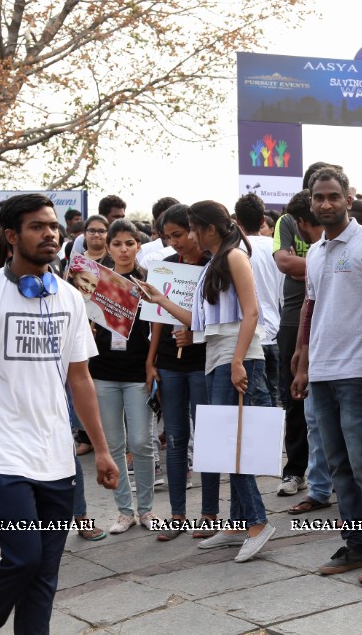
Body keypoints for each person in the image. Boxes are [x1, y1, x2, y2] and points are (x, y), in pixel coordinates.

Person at [0, 193, 118, 634]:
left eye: (53, 226)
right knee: (22, 558)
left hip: (57, 457)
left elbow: (80, 380)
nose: (50, 234)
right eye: (38, 226)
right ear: (12, 236)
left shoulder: (71, 299)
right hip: (2, 457)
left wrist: (101, 449)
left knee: (45, 574)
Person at [139, 200, 275, 563]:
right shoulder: (215, 262)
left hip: (237, 356)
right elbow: (199, 322)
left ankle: (258, 522)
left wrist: (236, 361)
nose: (186, 238)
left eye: (192, 229)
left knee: (230, 444)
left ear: (209, 229)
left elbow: (251, 312)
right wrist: (159, 299)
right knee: (224, 442)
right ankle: (235, 524)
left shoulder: (234, 257)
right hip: (218, 356)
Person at [289, 166, 362, 583]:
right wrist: (303, 363)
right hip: (321, 374)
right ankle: (356, 546)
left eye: (332, 196)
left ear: (347, 199)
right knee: (338, 467)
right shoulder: (315, 252)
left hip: (359, 374)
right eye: (318, 197)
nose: (325, 204)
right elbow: (310, 308)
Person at [86, 219, 158, 534]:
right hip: (102, 371)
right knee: (113, 444)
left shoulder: (147, 282)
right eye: (118, 243)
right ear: (109, 246)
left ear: (138, 246)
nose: (124, 249)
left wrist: (152, 364)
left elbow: (158, 328)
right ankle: (124, 511)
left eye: (129, 243)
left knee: (142, 442)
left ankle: (146, 509)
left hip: (137, 370)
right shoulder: (94, 280)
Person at [146, 204, 213, 541]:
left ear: (193, 229)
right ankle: (176, 515)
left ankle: (210, 514)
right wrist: (151, 359)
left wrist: (196, 334)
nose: (174, 242)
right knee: (174, 440)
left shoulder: (212, 264)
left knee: (208, 439)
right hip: (170, 364)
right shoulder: (166, 267)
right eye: (167, 236)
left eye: (178, 234)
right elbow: (158, 315)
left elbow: (221, 316)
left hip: (204, 363)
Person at [274, 172, 331, 504]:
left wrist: (306, 264)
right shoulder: (288, 220)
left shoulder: (335, 230)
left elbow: (300, 265)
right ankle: (295, 469)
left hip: (328, 320)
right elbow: (283, 262)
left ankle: (328, 473)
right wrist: (318, 261)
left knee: (328, 400)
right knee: (294, 397)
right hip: (294, 319)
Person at [234, 193, 282, 409]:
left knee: (255, 398)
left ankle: (263, 441)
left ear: (238, 222)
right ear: (263, 220)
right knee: (272, 394)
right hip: (276, 331)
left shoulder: (236, 250)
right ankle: (273, 441)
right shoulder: (278, 249)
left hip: (251, 335)